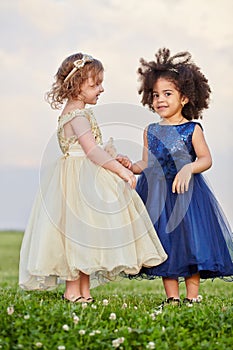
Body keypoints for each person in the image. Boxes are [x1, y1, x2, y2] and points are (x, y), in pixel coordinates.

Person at [19, 52, 167, 303]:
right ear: (76, 86)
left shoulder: (72, 113)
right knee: (80, 235)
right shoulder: (78, 116)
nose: (101, 89)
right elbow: (92, 151)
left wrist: (115, 157)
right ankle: (72, 291)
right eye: (94, 84)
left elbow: (94, 149)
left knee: (84, 237)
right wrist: (119, 170)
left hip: (75, 175)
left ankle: (83, 291)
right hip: (79, 181)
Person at [118, 48, 233, 305]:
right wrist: (130, 165)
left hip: (187, 197)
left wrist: (187, 168)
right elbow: (147, 164)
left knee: (191, 247)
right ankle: (172, 298)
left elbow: (206, 159)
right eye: (156, 95)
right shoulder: (150, 130)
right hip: (158, 197)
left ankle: (192, 297)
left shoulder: (192, 129)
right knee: (165, 246)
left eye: (167, 94)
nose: (160, 99)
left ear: (184, 98)